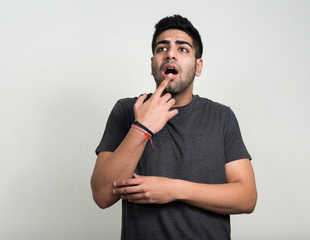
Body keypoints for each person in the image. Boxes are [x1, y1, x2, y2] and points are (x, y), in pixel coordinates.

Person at [91, 14, 257, 239]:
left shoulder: (222, 116)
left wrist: (173, 189)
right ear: (152, 65)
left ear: (198, 66)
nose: (170, 53)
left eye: (183, 49)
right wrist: (141, 128)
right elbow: (102, 195)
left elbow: (247, 197)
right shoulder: (126, 111)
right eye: (162, 48)